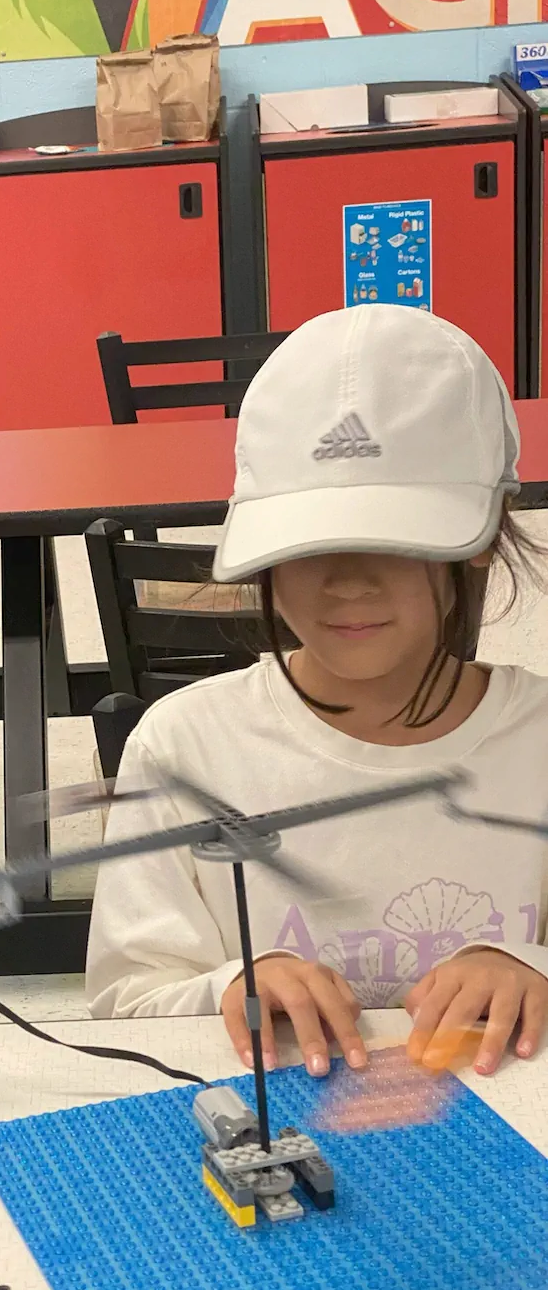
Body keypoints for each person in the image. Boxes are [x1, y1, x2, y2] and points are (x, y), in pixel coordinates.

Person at [87, 304, 548, 1080]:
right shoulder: (183, 746)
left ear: (485, 530)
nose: (348, 583)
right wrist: (231, 983)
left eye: (397, 540)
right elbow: (126, 996)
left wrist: (529, 966)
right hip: (272, 1121)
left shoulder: (536, 739)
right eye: (307, 544)